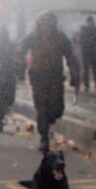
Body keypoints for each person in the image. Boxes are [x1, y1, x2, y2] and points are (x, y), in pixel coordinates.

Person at [20, 11, 79, 151]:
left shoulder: (60, 39)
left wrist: (75, 75)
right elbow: (20, 50)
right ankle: (44, 137)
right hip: (38, 77)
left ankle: (50, 119)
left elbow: (70, 57)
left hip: (55, 78)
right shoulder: (33, 38)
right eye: (44, 25)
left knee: (56, 108)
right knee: (41, 109)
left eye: (49, 25)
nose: (46, 28)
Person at [0, 26, 23, 133]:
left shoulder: (11, 46)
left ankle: (1, 115)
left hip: (9, 76)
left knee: (9, 99)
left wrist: (18, 70)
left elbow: (18, 59)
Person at [78, 16, 96, 93]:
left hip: (86, 53)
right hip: (93, 53)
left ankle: (86, 86)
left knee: (86, 70)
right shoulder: (94, 30)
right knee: (94, 70)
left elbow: (80, 41)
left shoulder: (83, 30)